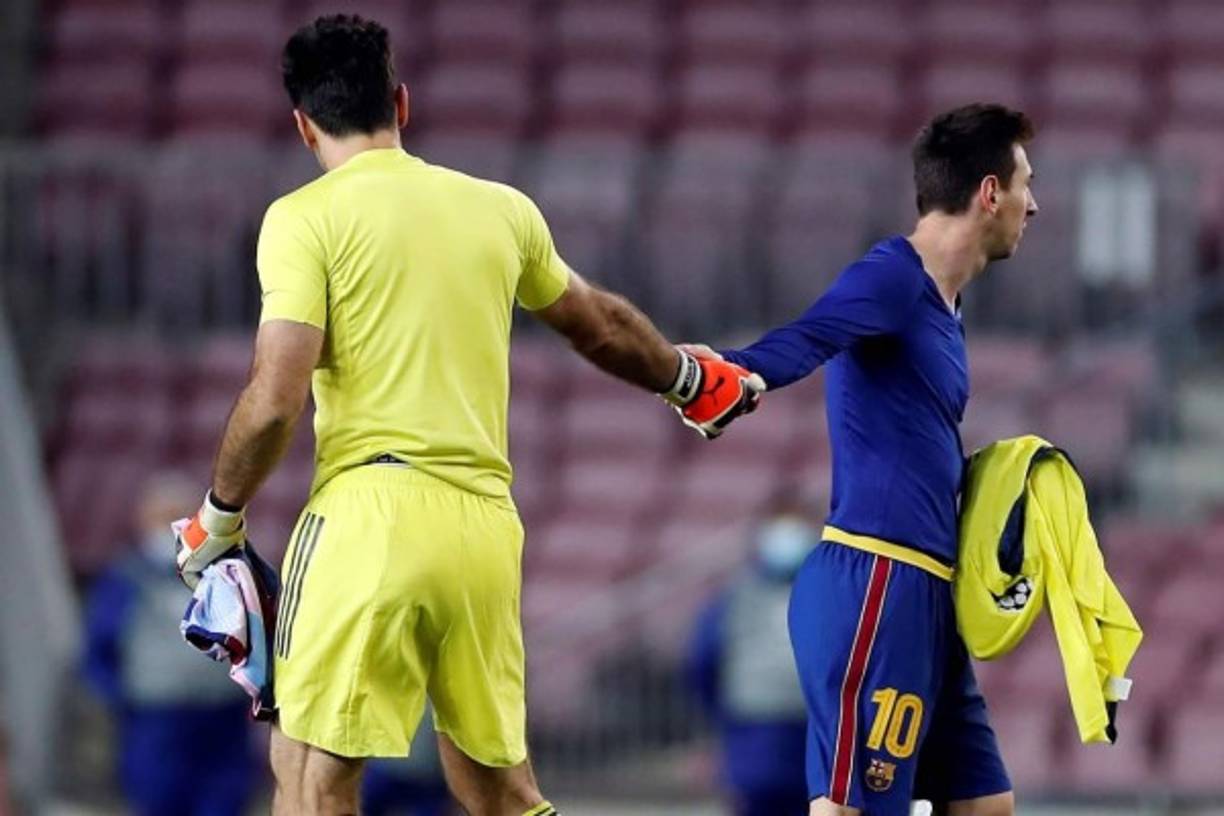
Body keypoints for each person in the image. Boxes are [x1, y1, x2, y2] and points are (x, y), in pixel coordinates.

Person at [169, 15, 764, 816]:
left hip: (367, 518)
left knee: (313, 771)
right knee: (499, 788)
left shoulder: (302, 219)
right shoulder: (501, 210)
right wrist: (691, 379)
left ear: (302, 125)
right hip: (484, 527)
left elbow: (277, 398)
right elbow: (602, 326)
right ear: (402, 104)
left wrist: (220, 517)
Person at [697, 103, 1039, 816]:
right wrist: (739, 374)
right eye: (1026, 183)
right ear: (989, 193)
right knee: (851, 809)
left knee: (986, 804)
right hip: (876, 581)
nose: (1033, 204)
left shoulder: (945, 308)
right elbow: (812, 333)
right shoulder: (893, 274)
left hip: (927, 590)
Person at [83, 474, 254, 816]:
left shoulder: (227, 576)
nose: (167, 528)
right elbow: (99, 649)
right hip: (157, 722)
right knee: (159, 801)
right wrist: (125, 698)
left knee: (222, 803)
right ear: (142, 522)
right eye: (160, 518)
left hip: (222, 721)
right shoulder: (126, 579)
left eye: (177, 517)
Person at [687, 500, 818, 816]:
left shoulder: (830, 593)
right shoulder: (734, 599)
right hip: (755, 731)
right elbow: (703, 661)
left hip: (816, 731)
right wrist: (725, 711)